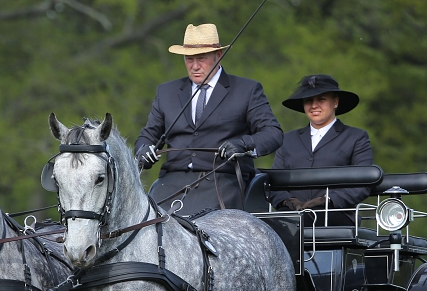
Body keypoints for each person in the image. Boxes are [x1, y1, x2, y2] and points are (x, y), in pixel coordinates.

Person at [134, 23, 283, 215]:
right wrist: (144, 150)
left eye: (201, 59)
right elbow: (147, 135)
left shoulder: (247, 90)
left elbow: (273, 133)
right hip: (170, 183)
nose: (195, 66)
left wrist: (244, 144)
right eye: (189, 59)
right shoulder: (167, 92)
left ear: (218, 56)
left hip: (223, 181)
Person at [269, 74, 373, 225]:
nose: (314, 105)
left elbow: (363, 183)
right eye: (308, 100)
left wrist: (328, 200)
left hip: (337, 214)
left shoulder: (356, 137)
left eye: (321, 99)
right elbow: (274, 182)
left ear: (335, 102)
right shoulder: (287, 140)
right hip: (292, 216)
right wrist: (287, 201)